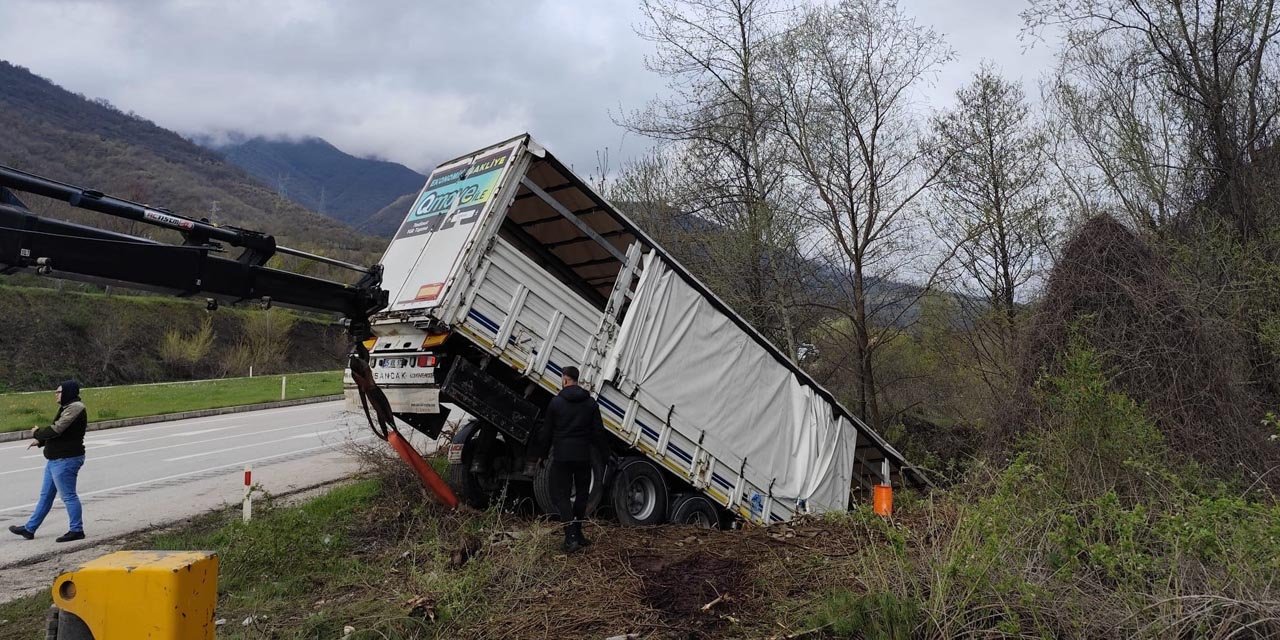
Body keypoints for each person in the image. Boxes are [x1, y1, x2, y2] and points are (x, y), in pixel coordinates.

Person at [530, 365, 602, 553]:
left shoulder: (556, 403)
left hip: (562, 457)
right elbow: (598, 433)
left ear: (564, 379)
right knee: (582, 495)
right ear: (577, 380)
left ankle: (570, 537)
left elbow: (546, 432)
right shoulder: (590, 403)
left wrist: (542, 455)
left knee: (560, 495)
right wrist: (605, 455)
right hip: (583, 456)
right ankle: (578, 533)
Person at [8, 381, 88, 542]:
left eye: (59, 392)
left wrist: (37, 433)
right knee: (45, 497)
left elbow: (57, 429)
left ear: (68, 392)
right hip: (56, 459)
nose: (56, 395)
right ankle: (29, 529)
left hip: (66, 459)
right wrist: (41, 441)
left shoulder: (75, 407)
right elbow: (63, 434)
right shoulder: (67, 407)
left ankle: (77, 530)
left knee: (69, 496)